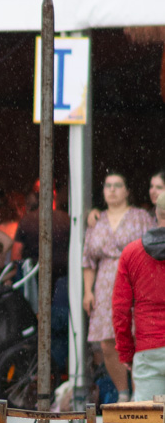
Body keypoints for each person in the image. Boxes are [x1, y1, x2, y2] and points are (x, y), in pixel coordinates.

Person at [83, 171, 153, 401]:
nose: (112, 190)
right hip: (104, 286)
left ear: (127, 191)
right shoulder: (96, 220)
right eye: (108, 185)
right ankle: (123, 393)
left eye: (117, 185)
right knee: (107, 342)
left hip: (134, 281)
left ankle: (139, 394)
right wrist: (87, 291)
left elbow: (153, 249)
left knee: (136, 338)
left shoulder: (140, 217)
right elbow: (88, 260)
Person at [113, 196, 165, 401]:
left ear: (156, 213)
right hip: (148, 346)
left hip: (148, 348)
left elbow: (120, 310)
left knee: (149, 415)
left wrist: (126, 352)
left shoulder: (131, 252)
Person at [11, 189, 68, 280]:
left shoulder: (26, 220)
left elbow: (16, 254)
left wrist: (18, 275)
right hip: (64, 273)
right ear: (53, 200)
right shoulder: (66, 219)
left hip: (34, 274)